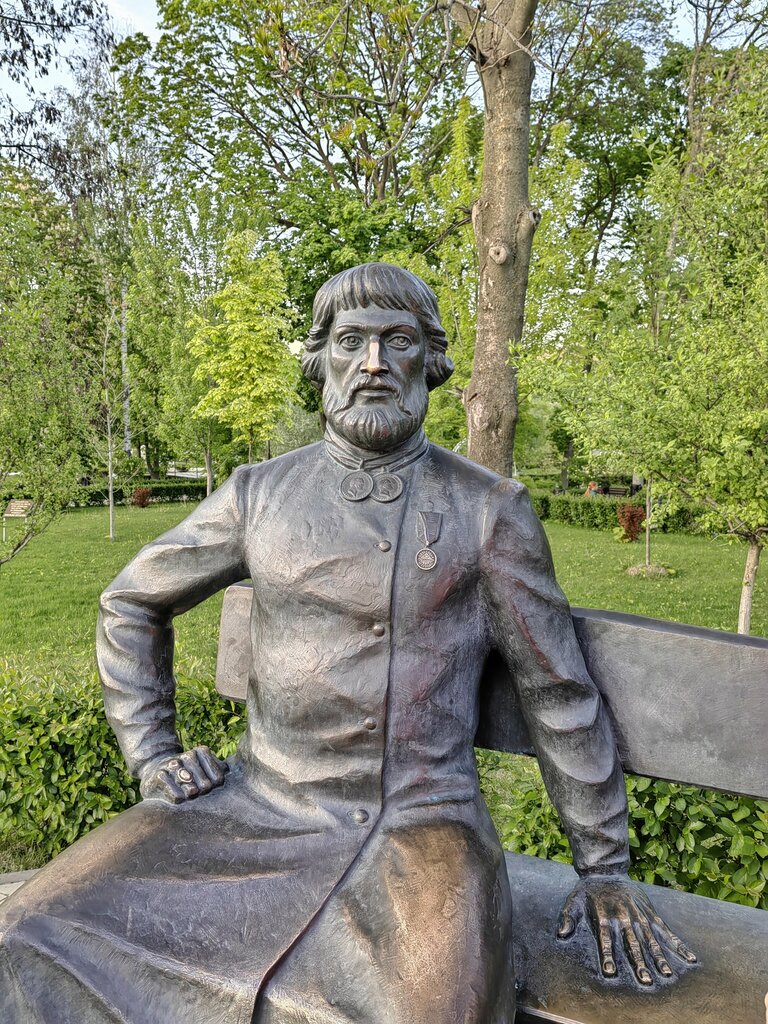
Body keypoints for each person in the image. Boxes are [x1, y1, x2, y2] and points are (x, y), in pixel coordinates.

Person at [0, 264, 695, 1024]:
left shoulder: (488, 510)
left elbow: (557, 691)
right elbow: (130, 602)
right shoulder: (258, 493)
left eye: (397, 341)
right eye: (351, 340)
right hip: (254, 808)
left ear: (430, 362)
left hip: (421, 829)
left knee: (436, 1012)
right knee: (30, 929)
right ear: (321, 359)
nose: (373, 363)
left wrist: (604, 867)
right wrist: (153, 754)